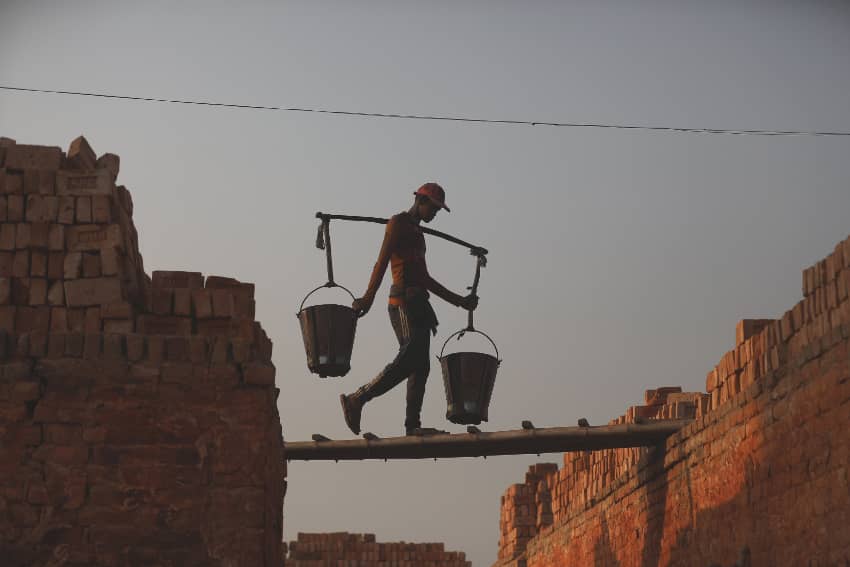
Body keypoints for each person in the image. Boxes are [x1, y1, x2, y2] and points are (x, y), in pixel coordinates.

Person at [340, 182, 478, 436]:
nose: (434, 215)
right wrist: (367, 298)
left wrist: (460, 300)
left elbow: (425, 278)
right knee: (410, 356)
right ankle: (357, 399)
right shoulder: (398, 224)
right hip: (402, 303)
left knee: (421, 366)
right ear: (420, 201)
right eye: (433, 209)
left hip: (419, 306)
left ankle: (412, 425)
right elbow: (381, 263)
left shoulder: (418, 234)